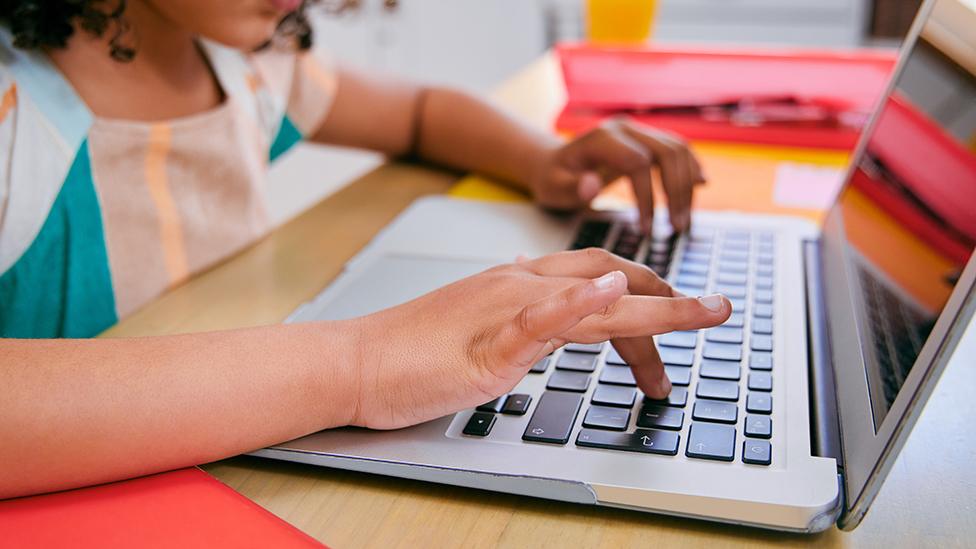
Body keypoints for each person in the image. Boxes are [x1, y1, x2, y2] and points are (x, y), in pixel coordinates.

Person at [0, 0, 730, 499]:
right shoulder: (17, 115)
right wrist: (360, 361)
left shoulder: (248, 68)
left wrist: (546, 159)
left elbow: (419, 113)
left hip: (236, 464)